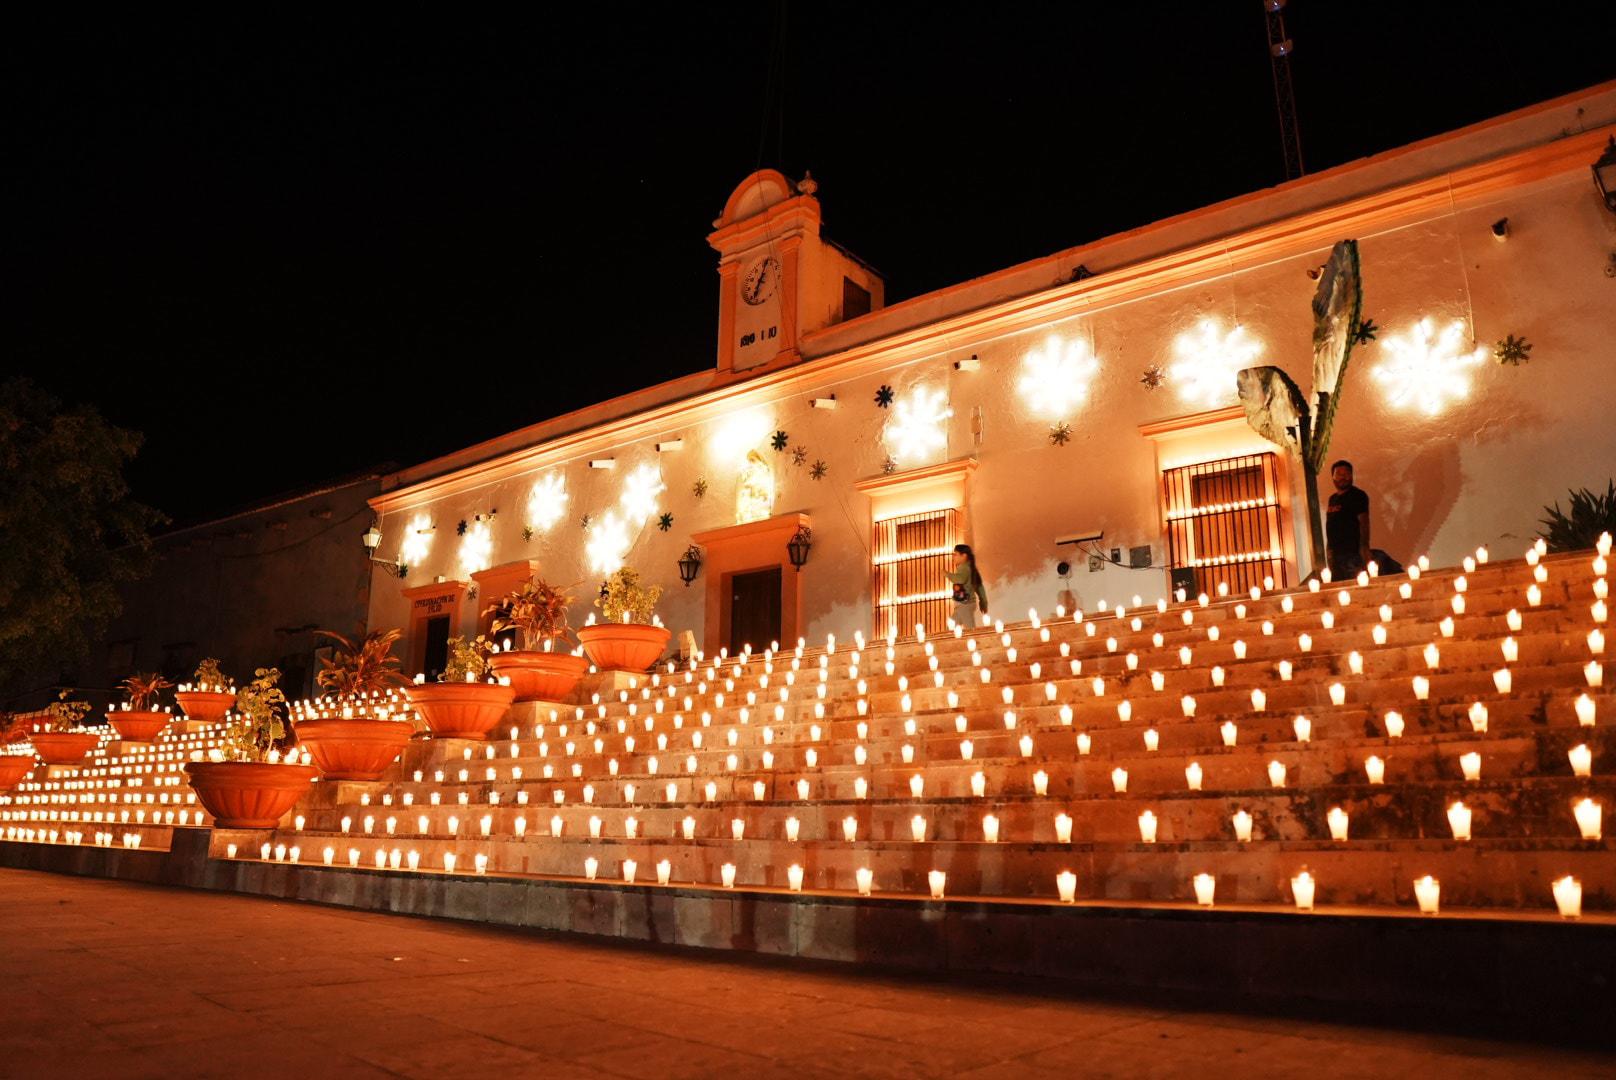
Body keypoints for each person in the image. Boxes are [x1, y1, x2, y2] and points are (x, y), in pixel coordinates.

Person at [1325, 459, 1371, 579]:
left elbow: (1364, 523)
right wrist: (1329, 551)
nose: (1343, 477)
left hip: (1353, 554)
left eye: (1346, 474)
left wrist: (1364, 549)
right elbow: (1330, 526)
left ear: (1351, 476)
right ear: (1333, 477)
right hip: (1335, 556)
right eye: (1339, 474)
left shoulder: (1358, 495)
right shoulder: (1332, 499)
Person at [946, 544, 988, 628]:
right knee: (951, 627)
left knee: (970, 629)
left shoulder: (964, 568)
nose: (953, 557)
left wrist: (946, 574)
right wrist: (983, 602)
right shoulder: (971, 568)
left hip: (965, 604)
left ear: (964, 556)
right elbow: (979, 587)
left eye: (956, 554)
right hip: (965, 604)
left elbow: (960, 579)